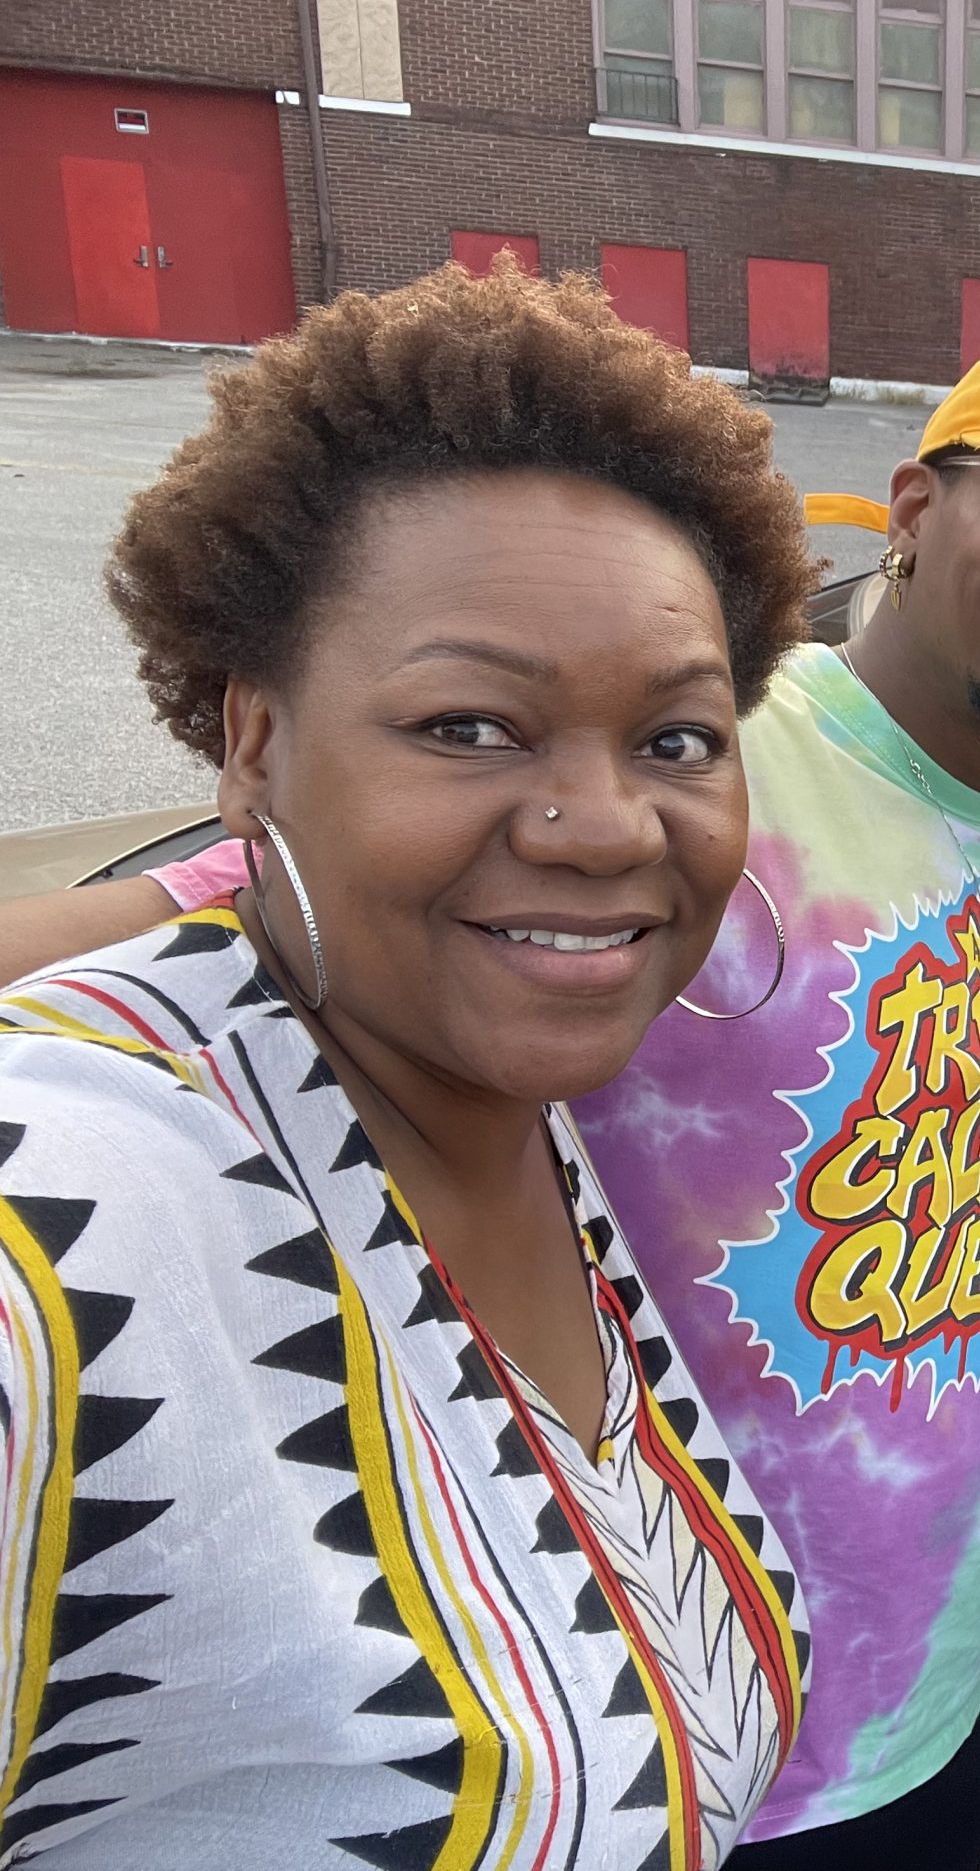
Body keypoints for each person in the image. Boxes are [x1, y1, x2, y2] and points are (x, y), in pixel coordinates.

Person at [1, 317, 980, 1866]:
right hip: (651, 1754)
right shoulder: (698, 746)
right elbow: (228, 913)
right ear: (914, 507)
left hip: (927, 1717)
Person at [0, 265, 812, 1860]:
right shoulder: (65, 1218)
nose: (604, 827)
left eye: (676, 739)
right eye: (469, 726)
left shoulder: (510, 1122)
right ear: (252, 743)